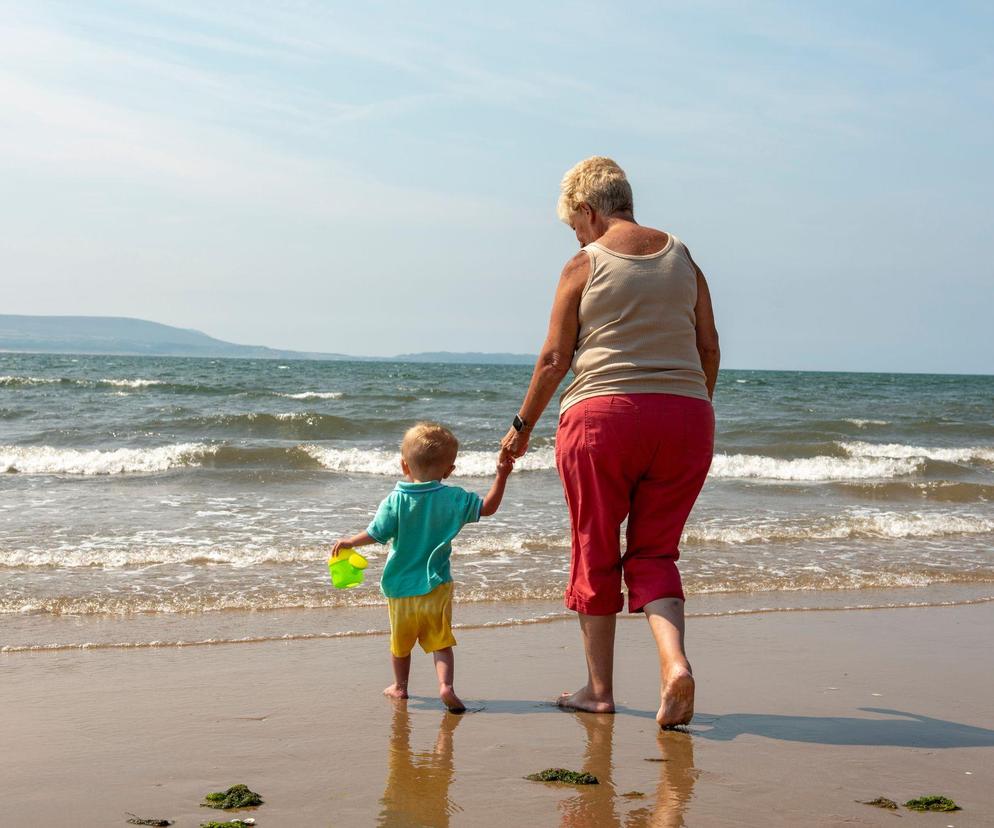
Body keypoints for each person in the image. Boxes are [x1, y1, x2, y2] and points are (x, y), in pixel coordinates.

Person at [500, 157, 719, 728]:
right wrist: (692, 408)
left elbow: (554, 359)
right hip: (688, 418)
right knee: (655, 552)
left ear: (588, 211)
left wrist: (521, 427)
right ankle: (674, 665)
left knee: (595, 547)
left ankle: (599, 690)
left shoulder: (584, 264)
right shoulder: (684, 257)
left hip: (602, 420)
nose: (576, 235)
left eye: (575, 224)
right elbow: (709, 347)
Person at [333, 422, 513, 713]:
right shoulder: (454, 498)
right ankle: (446, 686)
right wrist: (501, 475)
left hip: (400, 588)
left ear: (404, 465)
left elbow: (376, 534)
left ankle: (400, 687)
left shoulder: (395, 500)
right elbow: (488, 507)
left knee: (400, 644)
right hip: (437, 585)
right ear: (449, 470)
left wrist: (351, 541)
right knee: (441, 641)